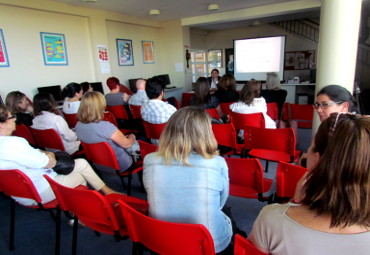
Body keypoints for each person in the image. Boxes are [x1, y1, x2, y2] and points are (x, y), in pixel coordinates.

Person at [249, 112, 370, 255]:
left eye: (310, 148)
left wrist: (293, 203)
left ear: (317, 161)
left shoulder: (272, 219)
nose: (305, 154)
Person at [143, 107, 233, 254]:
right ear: (206, 133)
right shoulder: (217, 163)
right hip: (209, 243)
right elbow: (220, 203)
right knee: (228, 216)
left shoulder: (149, 160)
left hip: (161, 238)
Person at [0, 104, 119, 206]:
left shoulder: (9, 143)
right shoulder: (14, 143)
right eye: (12, 117)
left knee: (82, 163)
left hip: (17, 193)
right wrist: (49, 154)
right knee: (82, 175)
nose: (15, 119)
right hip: (38, 192)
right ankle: (79, 215)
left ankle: (107, 192)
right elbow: (49, 163)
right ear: (2, 124)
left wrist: (44, 153)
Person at [75, 91, 137, 173]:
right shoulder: (105, 126)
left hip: (98, 164)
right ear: (101, 106)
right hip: (120, 165)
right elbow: (127, 144)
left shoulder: (78, 126)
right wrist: (132, 136)